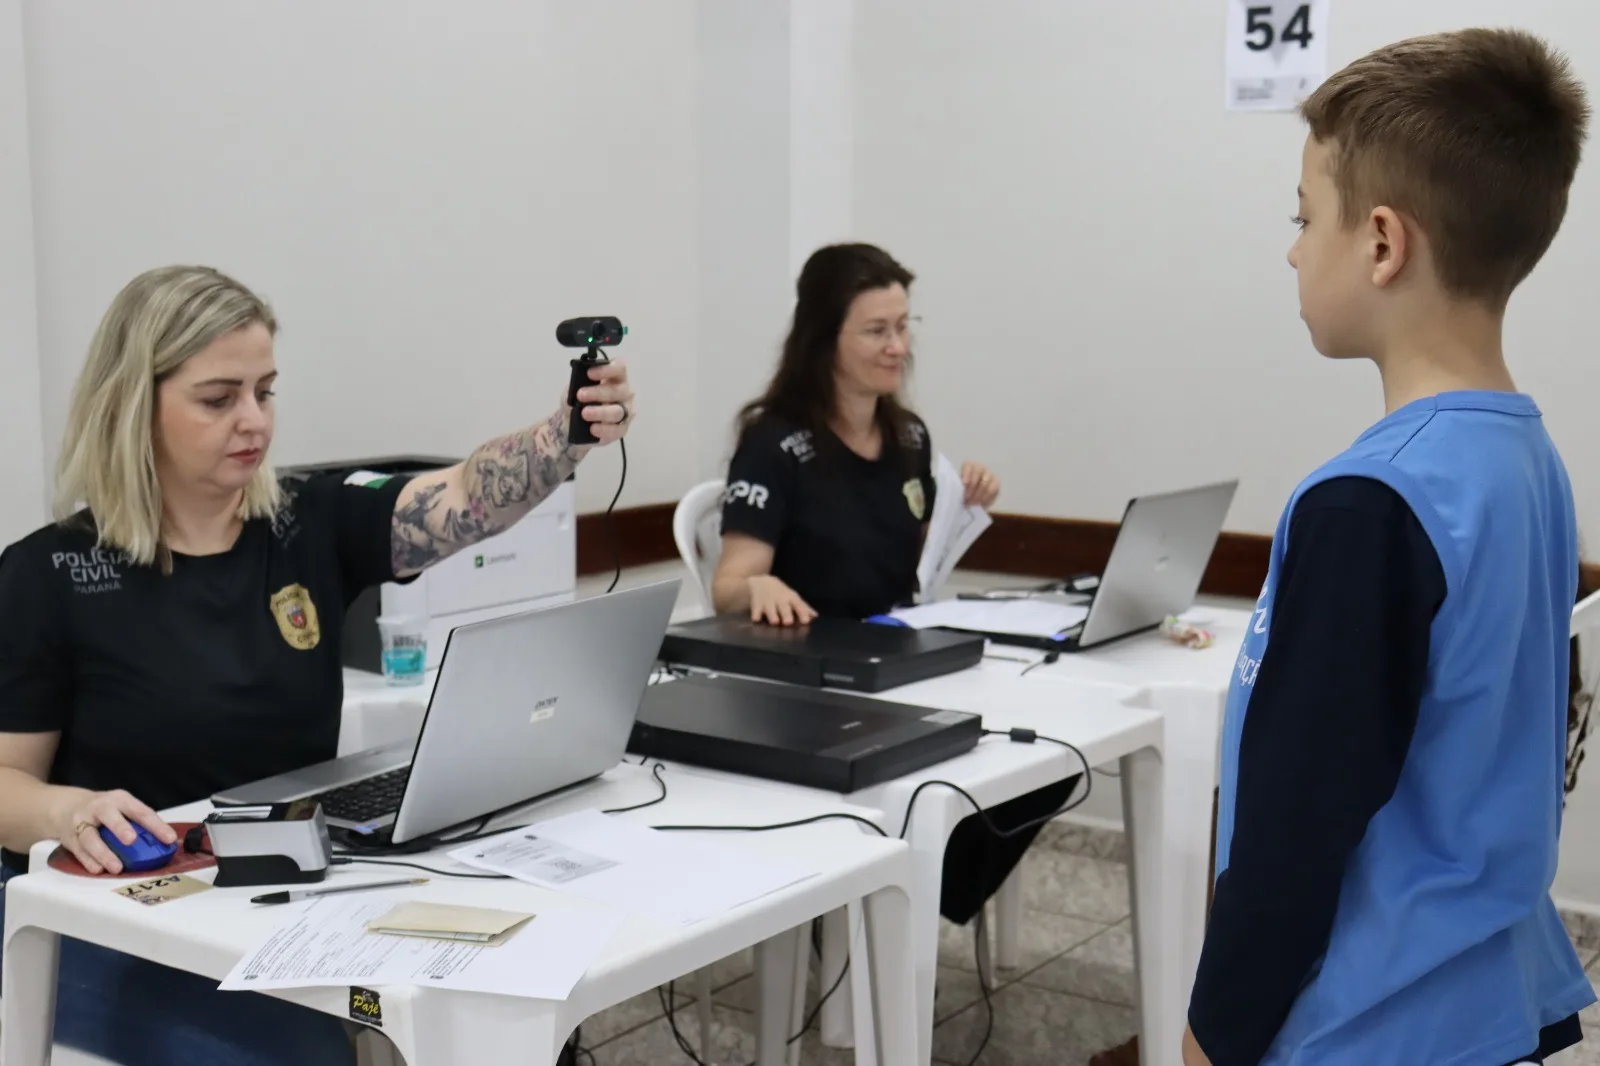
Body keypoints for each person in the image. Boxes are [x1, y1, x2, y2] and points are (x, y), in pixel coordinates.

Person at [0, 265, 634, 1066]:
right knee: (298, 1058)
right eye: (218, 397)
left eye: (265, 391)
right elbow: (4, 785)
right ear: (134, 401)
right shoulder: (48, 574)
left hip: (288, 882)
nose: (253, 420)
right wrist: (66, 813)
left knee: (522, 991)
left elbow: (467, 495)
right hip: (118, 912)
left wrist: (565, 436)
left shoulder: (308, 521)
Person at [1184, 29, 1594, 1066]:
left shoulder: (1367, 503)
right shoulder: (1525, 455)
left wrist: (1209, 1037)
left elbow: (1294, 831)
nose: (1289, 247)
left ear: (1379, 242)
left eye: (1301, 214)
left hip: (1369, 1025)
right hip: (1491, 993)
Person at [712, 241, 1074, 927]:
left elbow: (917, 566)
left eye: (904, 327)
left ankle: (922, 884)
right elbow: (730, 583)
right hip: (813, 682)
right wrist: (755, 587)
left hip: (901, 657)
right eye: (877, 330)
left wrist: (963, 504)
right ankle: (887, 893)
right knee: (965, 764)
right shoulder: (774, 441)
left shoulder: (908, 436)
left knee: (1051, 751)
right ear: (824, 338)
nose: (898, 347)